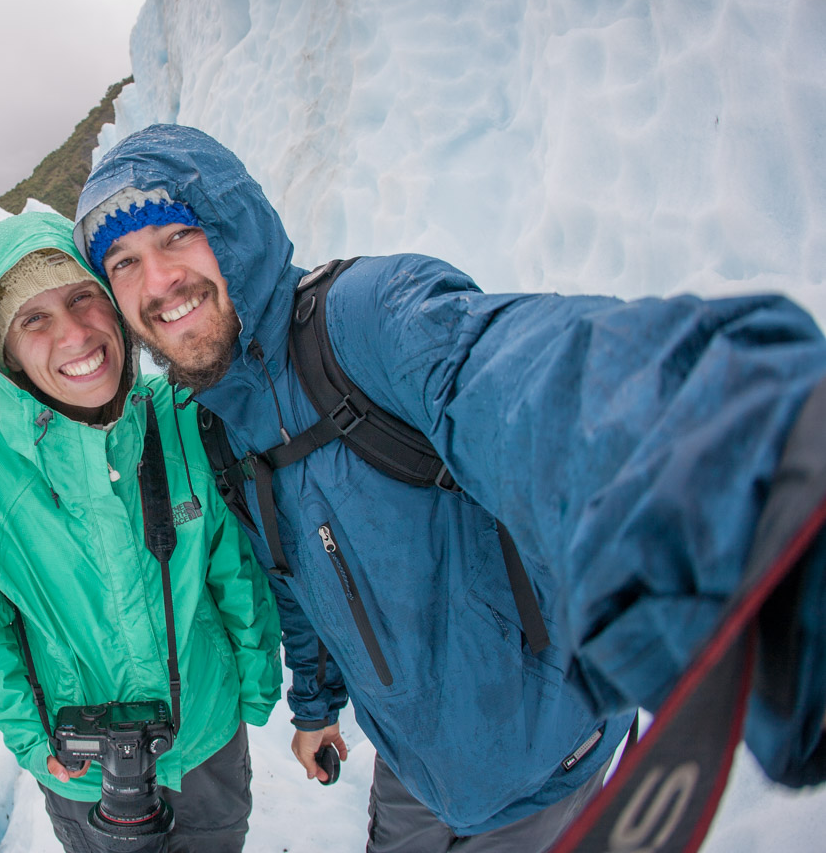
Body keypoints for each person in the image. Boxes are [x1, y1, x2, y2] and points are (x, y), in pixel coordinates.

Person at [72, 123, 826, 852]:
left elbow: (519, 381)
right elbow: (300, 580)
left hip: (545, 756)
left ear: (236, 226)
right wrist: (317, 705)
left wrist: (719, 462)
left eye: (177, 236)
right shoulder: (220, 422)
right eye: (125, 263)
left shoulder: (366, 319)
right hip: (415, 767)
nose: (160, 281)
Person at [0, 210, 282, 853]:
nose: (75, 334)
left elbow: (234, 566)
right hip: (82, 772)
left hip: (208, 741)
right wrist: (28, 729)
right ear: (4, 353)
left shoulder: (183, 416)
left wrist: (253, 684)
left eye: (83, 298)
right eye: (34, 319)